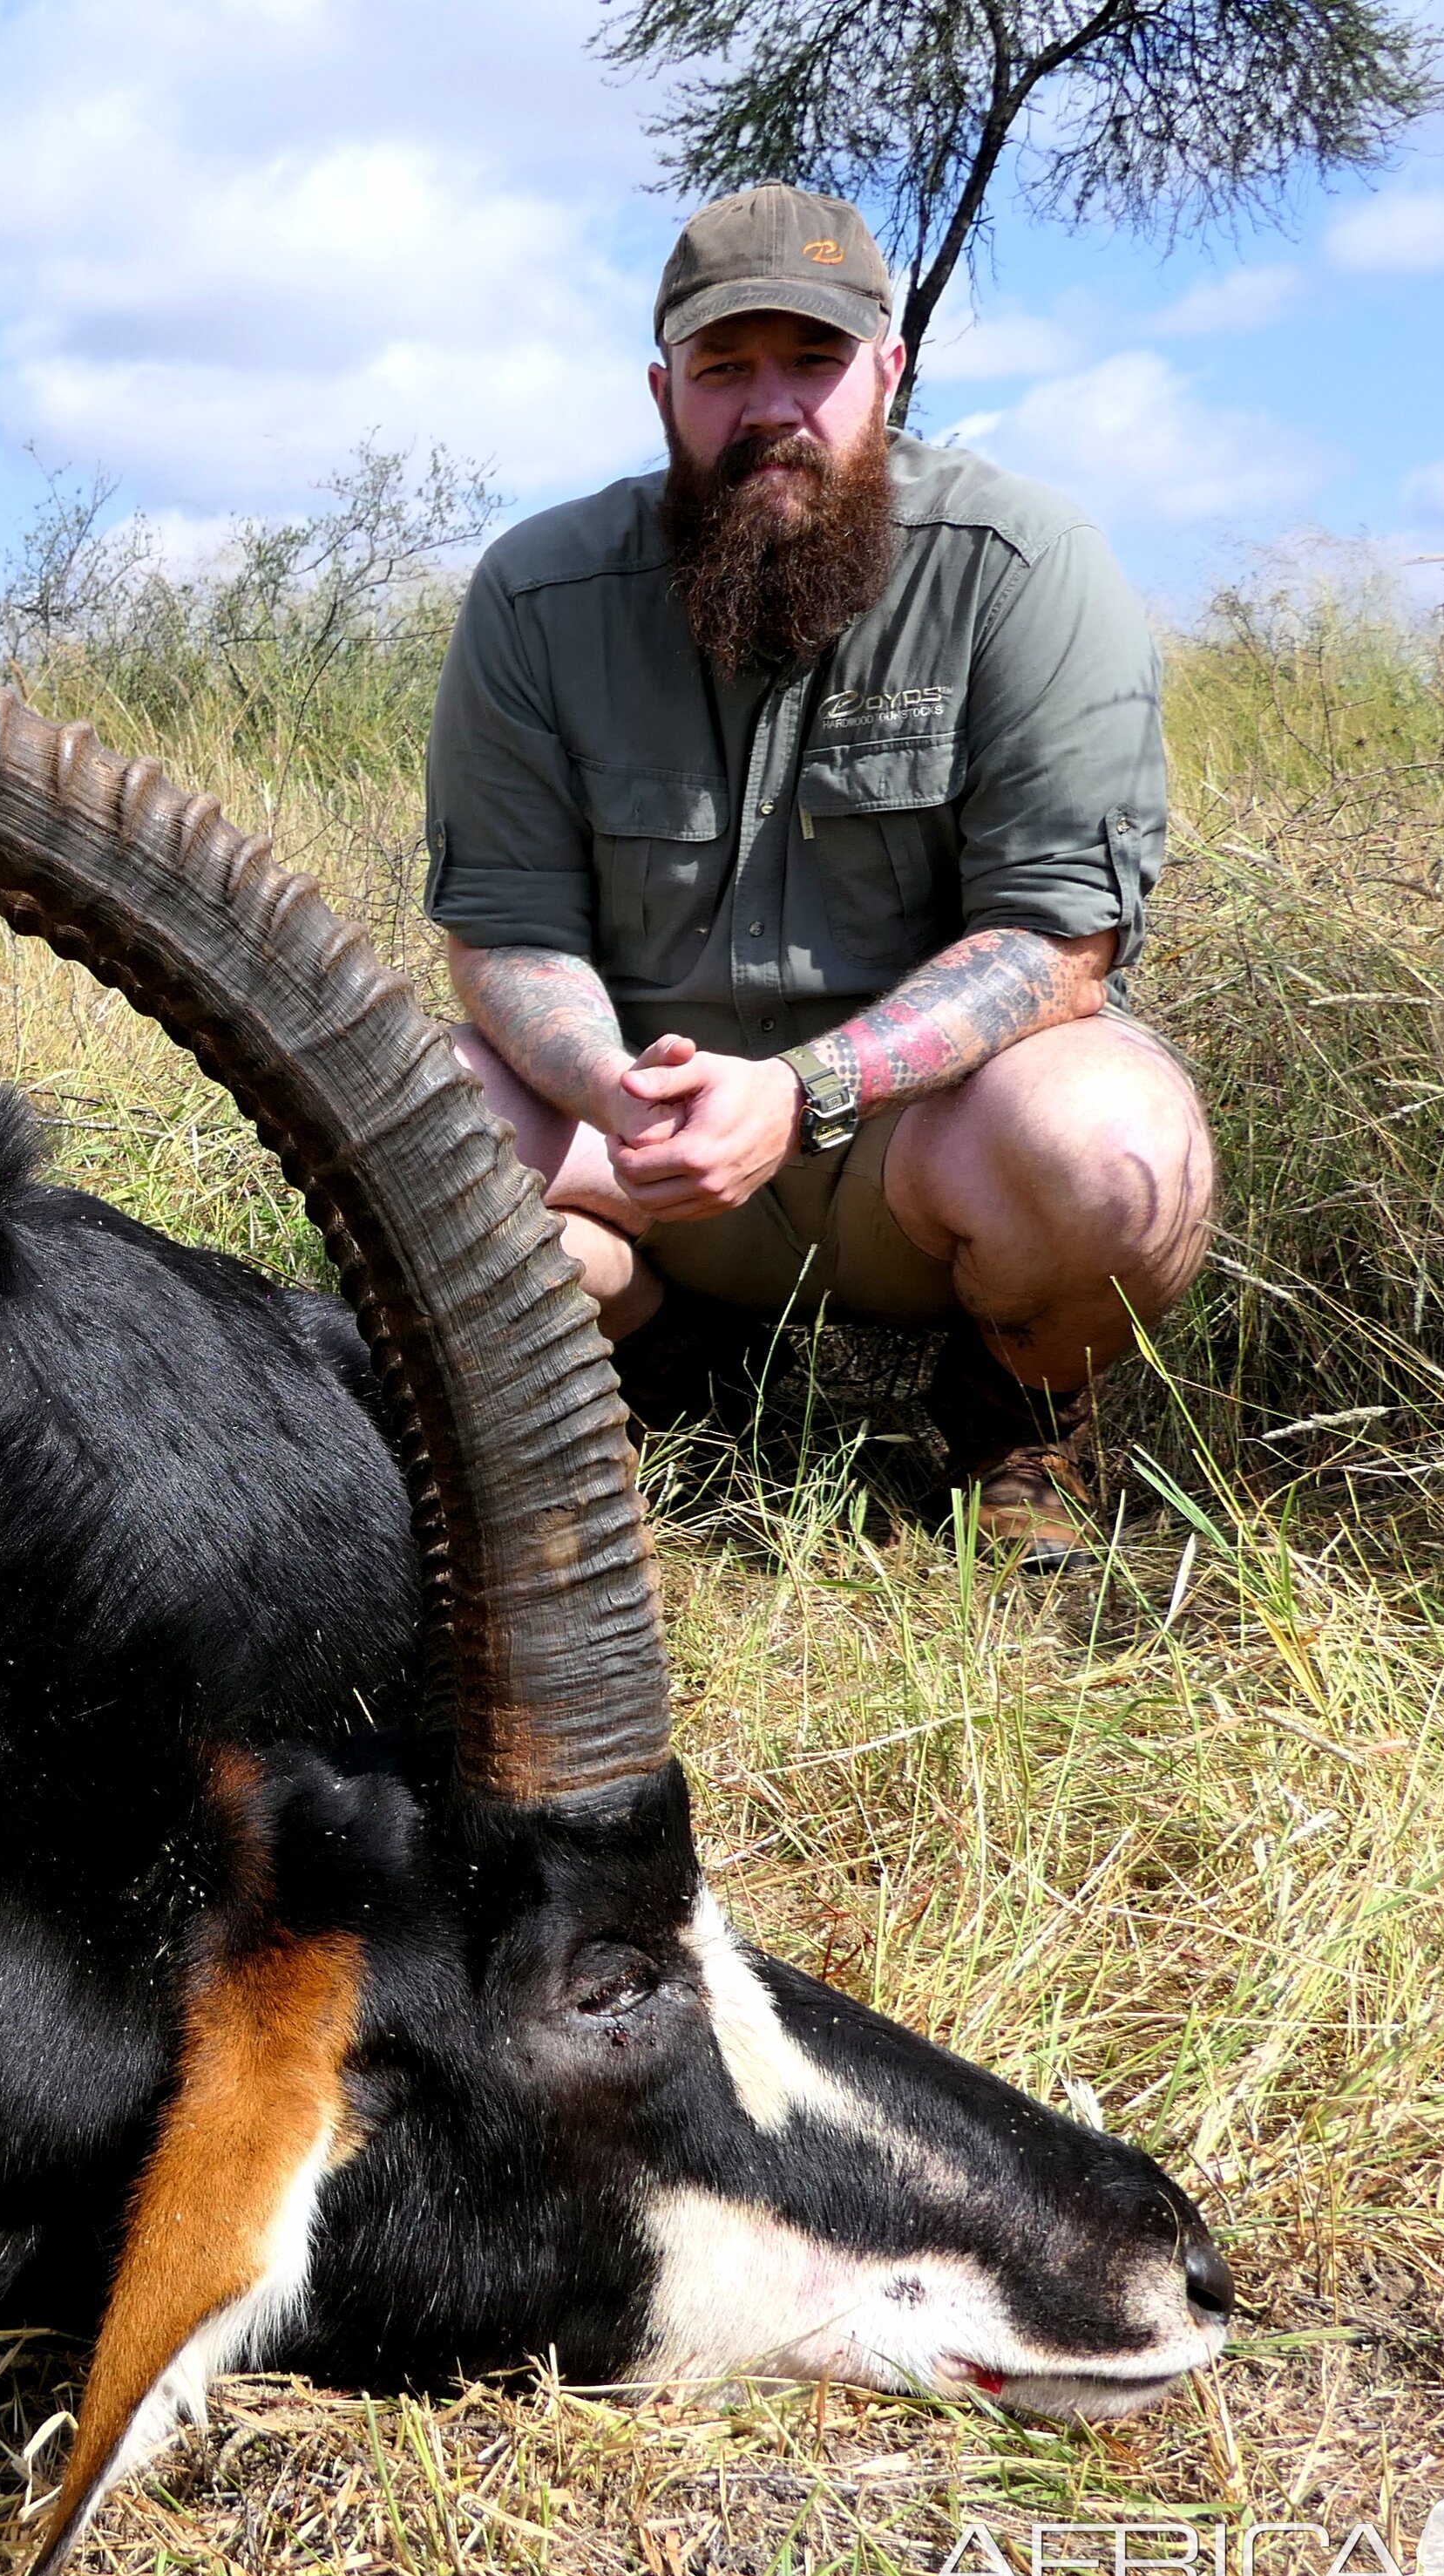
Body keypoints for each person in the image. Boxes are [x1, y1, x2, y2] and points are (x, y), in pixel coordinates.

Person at [426, 180, 1216, 1560]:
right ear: (664, 389)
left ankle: (1017, 1420)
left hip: (913, 1153)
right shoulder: (537, 594)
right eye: (727, 370)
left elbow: (1058, 941)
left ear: (889, 372)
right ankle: (659, 1380)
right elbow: (503, 933)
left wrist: (803, 1093)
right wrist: (614, 1089)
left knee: (1117, 1149)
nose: (771, 407)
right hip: (650, 1149)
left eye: (815, 361)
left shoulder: (1025, 563)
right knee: (408, 1116)